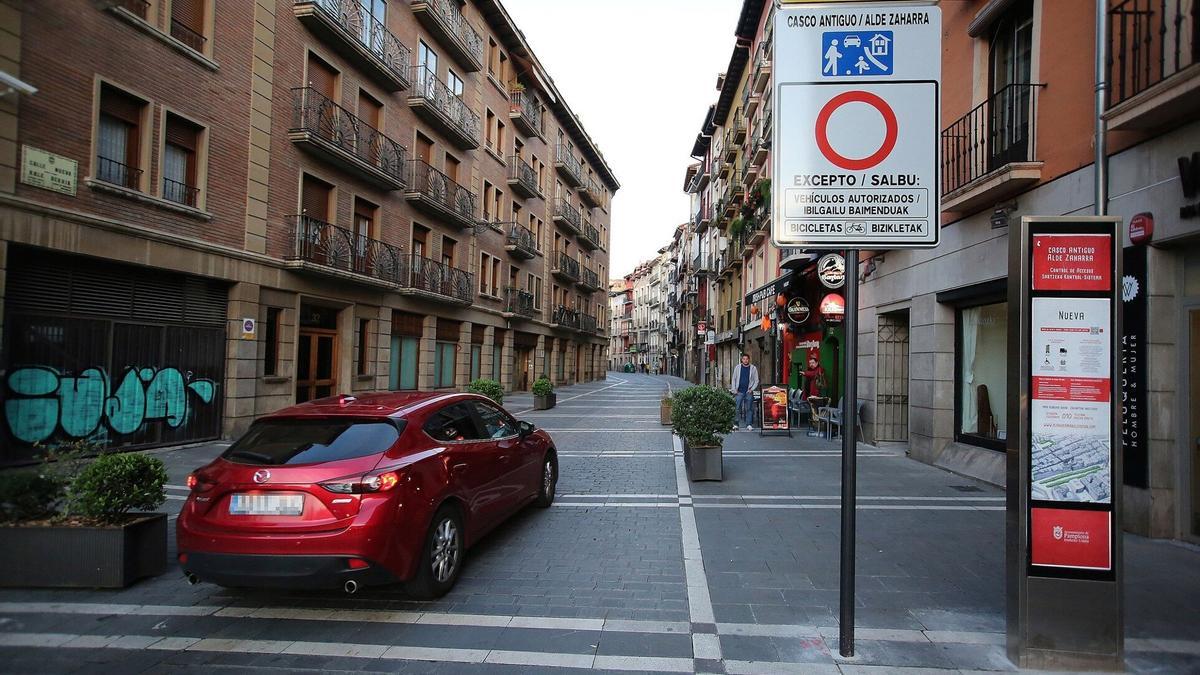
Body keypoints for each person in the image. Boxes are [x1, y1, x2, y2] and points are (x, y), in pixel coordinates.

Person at [729, 353, 759, 431]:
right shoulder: (737, 367)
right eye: (744, 359)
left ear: (749, 360)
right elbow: (734, 379)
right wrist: (734, 390)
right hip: (739, 391)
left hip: (748, 391)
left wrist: (752, 389)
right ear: (741, 360)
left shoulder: (753, 368)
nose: (745, 360)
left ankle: (749, 424)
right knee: (737, 408)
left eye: (747, 359)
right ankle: (736, 424)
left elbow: (756, 380)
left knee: (749, 408)